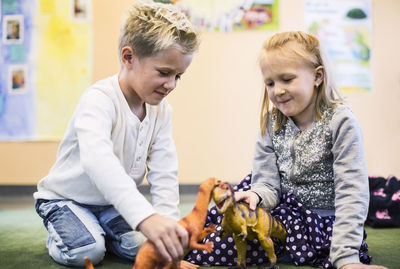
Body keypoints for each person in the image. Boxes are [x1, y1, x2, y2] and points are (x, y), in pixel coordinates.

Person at [184, 31, 387, 269]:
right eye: (270, 83)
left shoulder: (341, 122)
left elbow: (352, 192)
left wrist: (346, 258)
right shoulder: (271, 123)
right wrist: (257, 194)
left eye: (287, 79)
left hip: (323, 223)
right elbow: (267, 183)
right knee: (221, 231)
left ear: (317, 76)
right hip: (279, 212)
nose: (277, 90)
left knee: (236, 246)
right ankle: (177, 245)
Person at [33, 1, 200, 267]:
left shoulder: (161, 111)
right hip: (68, 201)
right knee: (88, 251)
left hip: (111, 205)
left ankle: (102, 228)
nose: (171, 84)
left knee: (149, 247)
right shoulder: (99, 99)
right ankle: (69, 231)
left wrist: (167, 225)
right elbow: (98, 161)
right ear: (128, 57)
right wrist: (145, 218)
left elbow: (164, 170)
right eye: (164, 73)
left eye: (178, 76)